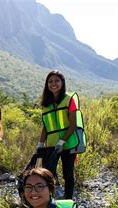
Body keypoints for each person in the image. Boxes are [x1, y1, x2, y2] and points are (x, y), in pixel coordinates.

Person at [35, 70, 85, 199]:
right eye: (50, 81)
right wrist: (40, 143)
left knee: (68, 174)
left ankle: (68, 200)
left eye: (57, 81)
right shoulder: (45, 103)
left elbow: (73, 124)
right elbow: (46, 126)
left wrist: (62, 141)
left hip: (68, 143)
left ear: (62, 83)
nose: (53, 84)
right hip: (51, 144)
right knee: (48, 172)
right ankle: (52, 197)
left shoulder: (69, 100)